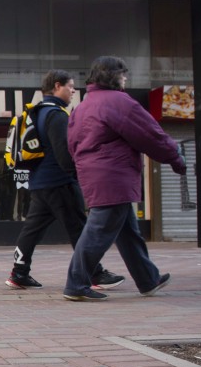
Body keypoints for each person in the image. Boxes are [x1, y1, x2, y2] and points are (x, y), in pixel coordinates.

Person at [64, 56, 186, 301]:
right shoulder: (119, 102)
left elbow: (72, 144)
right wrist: (176, 158)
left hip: (95, 174)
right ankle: (76, 284)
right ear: (113, 76)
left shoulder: (83, 106)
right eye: (123, 74)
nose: (126, 79)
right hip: (115, 176)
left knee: (128, 231)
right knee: (98, 231)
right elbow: (151, 135)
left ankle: (147, 279)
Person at [5, 70, 124, 291]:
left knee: (32, 229)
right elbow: (64, 153)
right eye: (70, 86)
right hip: (60, 182)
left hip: (40, 183)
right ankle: (95, 274)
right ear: (57, 86)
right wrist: (78, 176)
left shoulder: (38, 112)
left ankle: (19, 273)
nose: (73, 91)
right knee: (80, 228)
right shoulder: (57, 115)